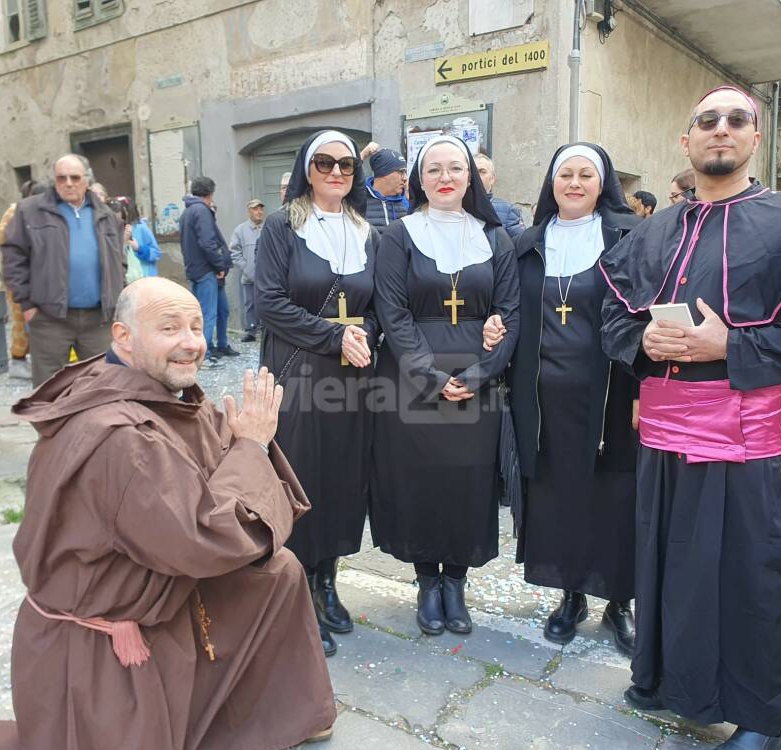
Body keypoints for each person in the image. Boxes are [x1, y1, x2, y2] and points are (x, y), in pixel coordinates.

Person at [0, 277, 336, 750]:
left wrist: (241, 443)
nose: (190, 342)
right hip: (101, 651)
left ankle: (289, 712)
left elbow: (208, 455)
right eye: (169, 327)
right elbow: (204, 538)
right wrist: (252, 447)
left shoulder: (151, 388)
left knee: (278, 574)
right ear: (123, 337)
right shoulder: (119, 436)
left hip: (150, 589)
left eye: (196, 325)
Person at [600, 85, 781, 750]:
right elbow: (613, 319)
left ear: (754, 140)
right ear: (686, 142)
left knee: (749, 576)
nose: (721, 130)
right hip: (660, 434)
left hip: (739, 438)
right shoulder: (653, 229)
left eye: (737, 120)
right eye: (706, 121)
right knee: (666, 566)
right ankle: (664, 680)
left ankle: (760, 725)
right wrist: (642, 344)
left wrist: (731, 348)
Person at [371, 135, 520, 637]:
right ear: (419, 179)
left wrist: (480, 373)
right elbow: (393, 313)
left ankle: (455, 580)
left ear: (470, 177)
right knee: (421, 478)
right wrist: (431, 376)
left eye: (454, 168)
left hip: (478, 379)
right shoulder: (399, 236)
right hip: (414, 378)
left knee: (467, 480)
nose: (444, 178)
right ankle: (426, 580)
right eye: (433, 169)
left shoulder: (495, 236)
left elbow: (510, 312)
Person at [499, 143, 640, 654]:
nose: (575, 183)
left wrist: (644, 390)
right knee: (558, 497)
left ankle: (617, 603)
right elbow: (507, 306)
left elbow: (644, 316)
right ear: (551, 183)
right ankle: (570, 596)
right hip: (541, 397)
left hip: (610, 394)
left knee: (614, 497)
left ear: (603, 184)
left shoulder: (628, 238)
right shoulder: (526, 244)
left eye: (586, 175)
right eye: (565, 175)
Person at [256, 130, 378, 657]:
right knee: (300, 476)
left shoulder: (367, 229)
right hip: (299, 369)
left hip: (353, 373)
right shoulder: (284, 226)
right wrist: (335, 335)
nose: (335, 172)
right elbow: (269, 302)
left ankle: (329, 579)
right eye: (324, 162)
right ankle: (300, 588)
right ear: (308, 168)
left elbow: (379, 302)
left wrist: (364, 334)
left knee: (344, 478)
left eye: (346, 165)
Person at [2, 154, 126, 387]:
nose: (68, 183)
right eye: (61, 178)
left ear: (87, 180)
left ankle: (92, 425)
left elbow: (120, 260)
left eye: (75, 177)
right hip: (50, 319)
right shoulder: (30, 211)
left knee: (102, 388)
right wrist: (27, 305)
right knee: (49, 392)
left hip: (98, 321)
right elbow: (12, 257)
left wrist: (116, 298)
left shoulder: (107, 214)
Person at [0, 179, 47, 380]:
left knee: (36, 319)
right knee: (19, 317)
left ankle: (33, 358)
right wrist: (20, 233)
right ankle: (18, 360)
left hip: (37, 275)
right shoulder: (16, 210)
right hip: (18, 275)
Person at [180, 176, 234, 368]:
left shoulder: (188, 212)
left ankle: (222, 345)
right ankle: (205, 353)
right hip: (207, 271)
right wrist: (219, 266)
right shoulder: (201, 211)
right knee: (207, 314)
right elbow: (208, 243)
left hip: (199, 269)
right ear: (210, 193)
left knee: (222, 310)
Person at [229, 199, 265, 342]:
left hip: (266, 277)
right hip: (248, 277)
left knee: (267, 302)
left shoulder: (268, 227)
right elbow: (234, 251)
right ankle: (251, 330)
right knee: (249, 304)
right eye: (255, 209)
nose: (259, 212)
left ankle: (266, 329)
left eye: (261, 209)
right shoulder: (240, 230)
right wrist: (246, 268)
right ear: (249, 211)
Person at [474, 152, 526, 238]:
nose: (477, 176)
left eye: (482, 171)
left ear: (492, 178)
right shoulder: (458, 207)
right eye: (474, 171)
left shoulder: (508, 210)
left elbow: (522, 246)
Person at [362, 147, 410, 232]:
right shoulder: (360, 198)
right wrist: (362, 155)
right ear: (384, 172)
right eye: (401, 172)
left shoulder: (405, 199)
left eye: (405, 173)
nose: (405, 178)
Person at [121, 197, 162, 278]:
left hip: (145, 278)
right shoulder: (116, 230)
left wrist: (139, 248)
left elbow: (157, 253)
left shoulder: (141, 228)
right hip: (128, 279)